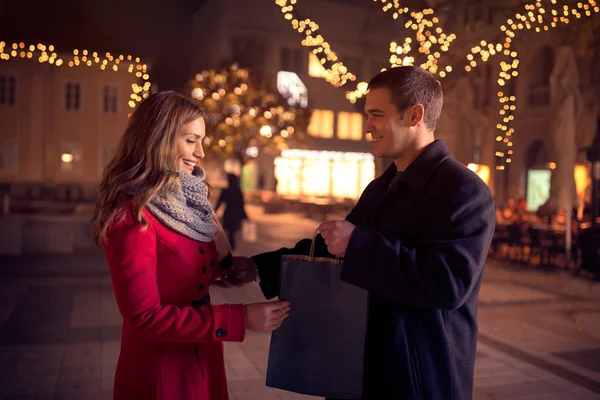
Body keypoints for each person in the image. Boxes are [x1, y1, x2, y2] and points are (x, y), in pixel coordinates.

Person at [225, 66, 496, 399]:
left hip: (416, 376)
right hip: (358, 366)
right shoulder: (382, 188)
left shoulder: (464, 191)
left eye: (376, 115)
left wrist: (359, 243)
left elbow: (448, 283)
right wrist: (257, 267)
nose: (368, 126)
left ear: (415, 115)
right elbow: (330, 249)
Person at [90, 91, 290, 400]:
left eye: (201, 141)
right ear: (160, 138)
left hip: (202, 356)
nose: (200, 152)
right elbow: (144, 318)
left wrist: (228, 269)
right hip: (162, 368)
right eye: (190, 140)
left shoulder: (189, 199)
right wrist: (240, 318)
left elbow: (187, 270)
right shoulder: (132, 215)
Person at [215, 172, 248, 251]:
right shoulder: (238, 191)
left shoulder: (225, 191)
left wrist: (214, 212)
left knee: (229, 231)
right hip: (236, 214)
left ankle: (229, 247)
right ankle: (231, 247)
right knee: (232, 232)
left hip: (228, 213)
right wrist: (245, 216)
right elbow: (241, 205)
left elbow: (219, 202)